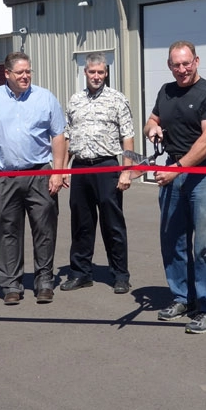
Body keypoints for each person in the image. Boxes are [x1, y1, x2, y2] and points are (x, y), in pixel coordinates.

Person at [143, 41, 206, 334]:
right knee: (173, 240)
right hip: (173, 171)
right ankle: (183, 297)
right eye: (175, 65)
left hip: (203, 174)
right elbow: (153, 120)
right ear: (169, 66)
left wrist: (177, 169)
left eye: (186, 63)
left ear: (196, 61)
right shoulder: (166, 92)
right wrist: (151, 128)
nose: (181, 70)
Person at [0, 52, 66, 305]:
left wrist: (58, 172)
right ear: (7, 74)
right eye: (20, 72)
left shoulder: (45, 98)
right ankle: (11, 284)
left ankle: (45, 281)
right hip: (5, 175)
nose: (25, 76)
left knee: (44, 229)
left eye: (28, 72)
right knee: (6, 231)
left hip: (39, 174)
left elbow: (58, 136)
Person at [61, 53, 136, 294]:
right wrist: (63, 168)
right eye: (92, 72)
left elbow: (128, 136)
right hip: (80, 167)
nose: (96, 76)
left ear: (106, 74)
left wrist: (126, 171)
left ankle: (120, 274)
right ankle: (81, 273)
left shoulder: (117, 99)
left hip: (107, 166)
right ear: (85, 73)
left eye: (101, 72)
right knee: (81, 223)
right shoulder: (75, 100)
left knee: (112, 223)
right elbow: (67, 136)